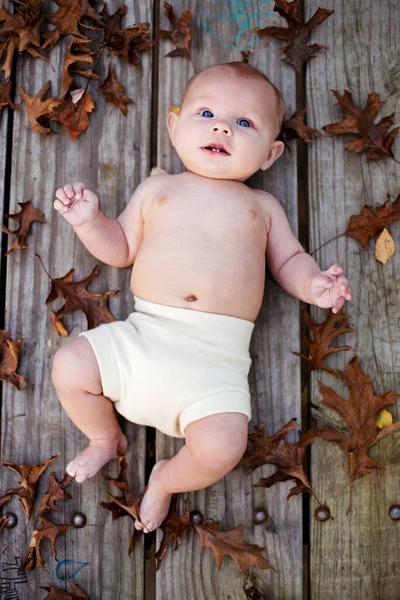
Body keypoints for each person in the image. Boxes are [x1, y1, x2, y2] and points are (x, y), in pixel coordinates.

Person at [52, 62, 352, 534]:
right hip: (144, 339)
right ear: (174, 127)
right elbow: (122, 248)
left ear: (270, 155)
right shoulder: (158, 189)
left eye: (244, 123)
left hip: (215, 364)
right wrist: (90, 222)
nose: (222, 127)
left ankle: (167, 480)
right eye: (207, 112)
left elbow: (290, 261)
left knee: (223, 448)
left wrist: (315, 284)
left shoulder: (262, 207)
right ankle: (104, 436)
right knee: (69, 365)